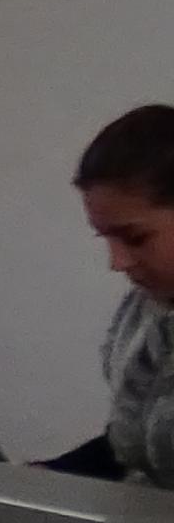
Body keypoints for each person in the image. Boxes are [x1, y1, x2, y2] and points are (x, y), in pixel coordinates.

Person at [73, 106, 174, 478]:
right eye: (106, 238)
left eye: (135, 238)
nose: (117, 262)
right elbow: (133, 450)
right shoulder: (146, 310)